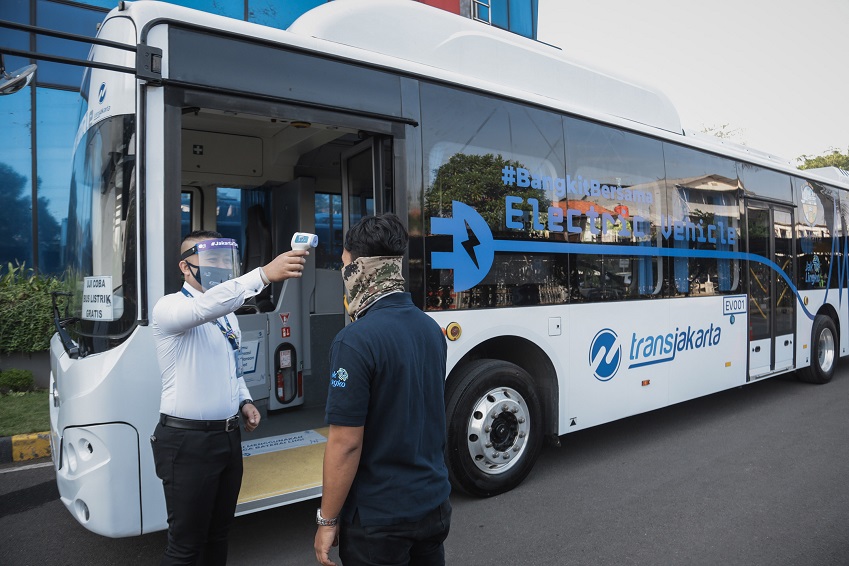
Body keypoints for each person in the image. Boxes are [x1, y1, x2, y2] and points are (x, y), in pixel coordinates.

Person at [151, 229, 308, 565]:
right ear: (184, 267)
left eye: (225, 259)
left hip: (226, 438)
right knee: (185, 546)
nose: (220, 266)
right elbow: (203, 309)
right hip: (186, 441)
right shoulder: (170, 307)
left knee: (219, 533)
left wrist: (245, 400)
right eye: (210, 259)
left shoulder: (226, 315)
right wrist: (264, 275)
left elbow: (232, 367)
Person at [314, 214, 451, 566]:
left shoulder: (354, 341)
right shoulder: (431, 329)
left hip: (379, 520)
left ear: (359, 268)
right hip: (434, 505)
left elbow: (346, 443)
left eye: (344, 265)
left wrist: (327, 520)